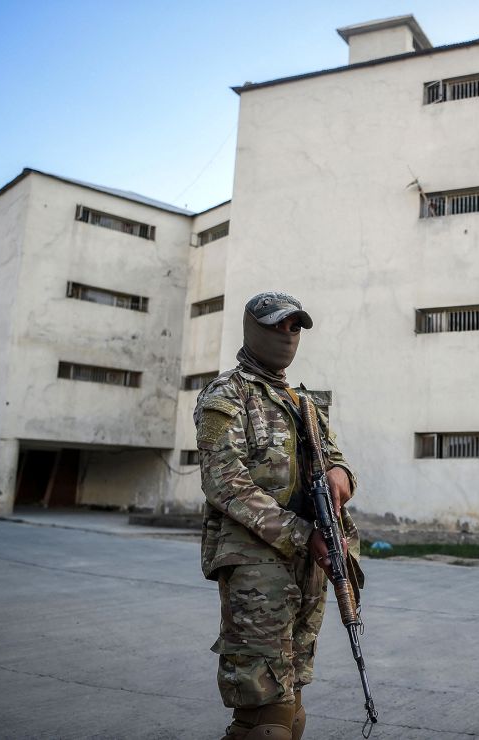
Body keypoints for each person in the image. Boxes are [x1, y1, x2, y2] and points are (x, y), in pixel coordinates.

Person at [195, 291, 362, 740]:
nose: (288, 335)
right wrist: (302, 533)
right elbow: (223, 481)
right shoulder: (226, 394)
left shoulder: (302, 402)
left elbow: (335, 457)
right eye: (277, 325)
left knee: (290, 700)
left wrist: (341, 475)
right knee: (268, 717)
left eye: (295, 327)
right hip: (257, 564)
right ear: (253, 329)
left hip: (310, 562)